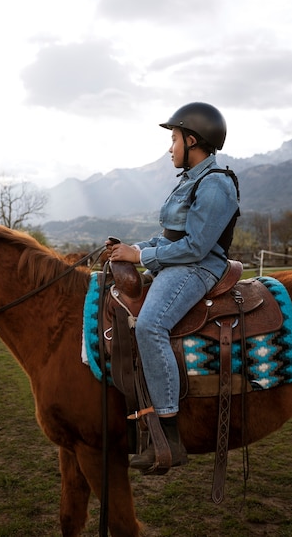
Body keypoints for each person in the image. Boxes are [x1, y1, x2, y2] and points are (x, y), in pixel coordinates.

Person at [105, 102, 240, 475]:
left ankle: (169, 435)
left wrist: (143, 255)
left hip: (197, 268)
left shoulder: (215, 184)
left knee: (150, 325)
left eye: (174, 138)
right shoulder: (189, 180)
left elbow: (196, 246)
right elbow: (169, 235)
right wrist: (131, 250)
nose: (170, 147)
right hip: (179, 262)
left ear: (192, 140)